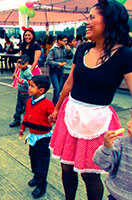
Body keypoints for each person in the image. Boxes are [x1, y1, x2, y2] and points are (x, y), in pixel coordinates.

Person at [48, 1, 132, 200]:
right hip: (71, 113)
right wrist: (57, 108)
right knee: (66, 167)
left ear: (109, 21)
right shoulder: (83, 48)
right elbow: (69, 83)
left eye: (92, 17)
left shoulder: (125, 55)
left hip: (97, 120)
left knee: (89, 174)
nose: (87, 22)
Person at [19, 75, 55, 198]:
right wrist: (23, 128)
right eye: (29, 85)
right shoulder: (29, 101)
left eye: (32, 86)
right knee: (33, 158)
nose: (29, 88)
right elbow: (27, 116)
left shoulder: (48, 104)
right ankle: (36, 176)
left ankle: (41, 185)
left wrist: (53, 118)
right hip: (33, 136)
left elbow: (55, 117)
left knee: (42, 162)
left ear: (41, 91)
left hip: (43, 138)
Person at [93, 120, 132, 200]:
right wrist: (107, 147)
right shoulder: (121, 143)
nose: (128, 123)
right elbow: (102, 163)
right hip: (116, 196)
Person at [46, 34, 73, 105]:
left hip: (61, 71)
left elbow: (70, 57)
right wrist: (58, 63)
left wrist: (69, 51)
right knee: (57, 88)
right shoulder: (53, 49)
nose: (65, 42)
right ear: (59, 41)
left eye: (66, 41)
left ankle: (55, 103)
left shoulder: (64, 48)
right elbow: (48, 61)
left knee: (60, 89)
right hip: (53, 71)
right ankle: (54, 105)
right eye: (64, 41)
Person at [9, 55, 33, 127]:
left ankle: (28, 121)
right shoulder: (21, 70)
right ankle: (17, 120)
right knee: (18, 107)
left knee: (27, 108)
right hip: (20, 92)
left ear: (26, 63)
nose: (19, 64)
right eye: (18, 62)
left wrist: (23, 81)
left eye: (21, 63)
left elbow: (31, 82)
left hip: (26, 94)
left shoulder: (27, 72)